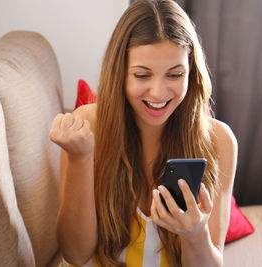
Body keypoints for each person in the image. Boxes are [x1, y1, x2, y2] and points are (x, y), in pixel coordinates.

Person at [49, 0, 237, 266]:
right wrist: (80, 159)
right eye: (142, 75)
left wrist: (195, 234)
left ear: (191, 72)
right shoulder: (88, 124)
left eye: (175, 74)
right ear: (120, 73)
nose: (159, 93)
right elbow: (76, 254)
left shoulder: (219, 141)